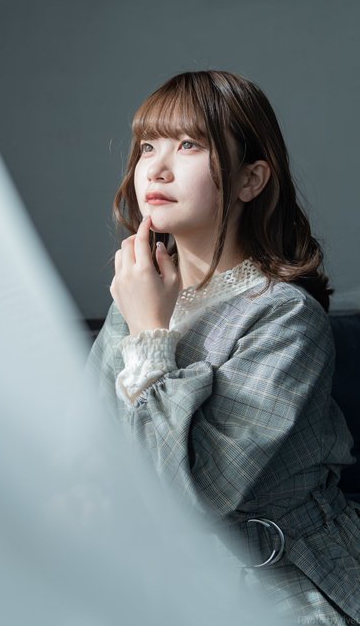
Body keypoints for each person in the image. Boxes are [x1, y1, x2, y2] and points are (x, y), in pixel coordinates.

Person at [88, 70, 360, 623]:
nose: (156, 168)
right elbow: (94, 450)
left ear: (250, 179)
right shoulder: (135, 297)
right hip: (158, 582)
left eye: (189, 144)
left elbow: (202, 491)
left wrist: (150, 334)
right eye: (148, 146)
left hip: (277, 585)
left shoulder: (284, 316)